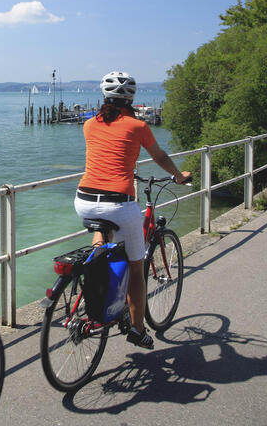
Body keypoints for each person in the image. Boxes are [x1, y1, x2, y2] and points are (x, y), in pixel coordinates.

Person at [74, 71, 189, 350]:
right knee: (137, 271)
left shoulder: (89, 125)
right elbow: (159, 156)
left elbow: (107, 153)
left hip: (84, 200)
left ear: (105, 96)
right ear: (131, 99)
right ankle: (137, 330)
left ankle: (95, 272)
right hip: (118, 203)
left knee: (103, 238)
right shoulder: (137, 127)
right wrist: (178, 176)